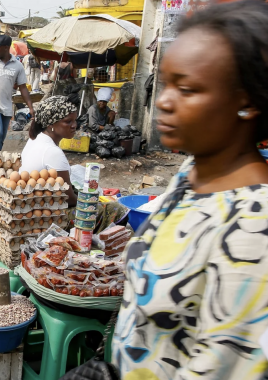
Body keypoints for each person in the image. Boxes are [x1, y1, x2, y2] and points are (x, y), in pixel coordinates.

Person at [113, 3, 268, 379]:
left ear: (245, 100)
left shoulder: (253, 226)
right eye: (168, 85)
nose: (164, 101)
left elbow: (224, 366)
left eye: (188, 89)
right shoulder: (192, 172)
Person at [0, 35, 34, 166]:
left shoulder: (17, 66)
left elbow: (23, 88)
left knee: (1, 137)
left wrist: (31, 107)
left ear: (5, 48)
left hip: (7, 106)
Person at [19, 96, 78, 207]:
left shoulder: (35, 139)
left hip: (31, 204)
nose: (74, 125)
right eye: (68, 121)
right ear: (51, 124)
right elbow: (69, 199)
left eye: (75, 120)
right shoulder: (52, 152)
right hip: (41, 211)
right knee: (112, 208)